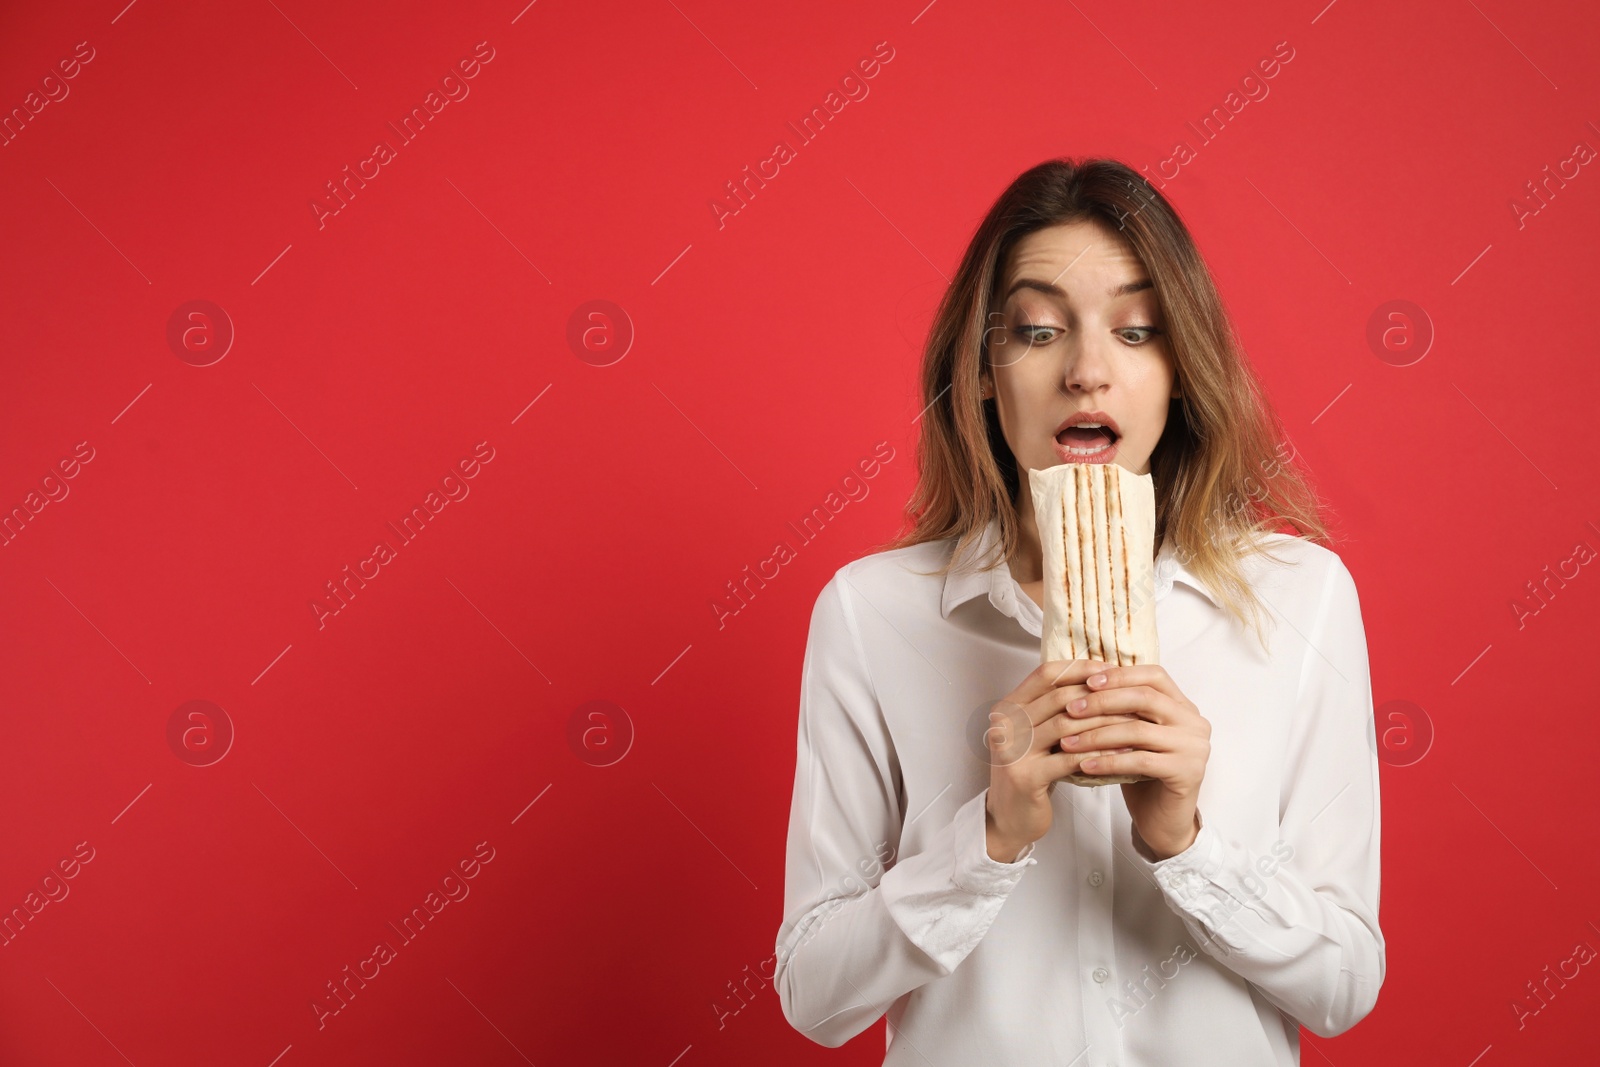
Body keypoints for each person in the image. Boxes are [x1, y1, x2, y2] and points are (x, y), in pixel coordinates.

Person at [773, 157, 1384, 1066]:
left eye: (1137, 332)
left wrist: (1184, 840)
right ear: (984, 369)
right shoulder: (871, 613)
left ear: (1182, 371)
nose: (1088, 370)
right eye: (1039, 329)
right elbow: (814, 995)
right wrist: (988, 836)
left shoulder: (1300, 597)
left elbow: (1343, 987)